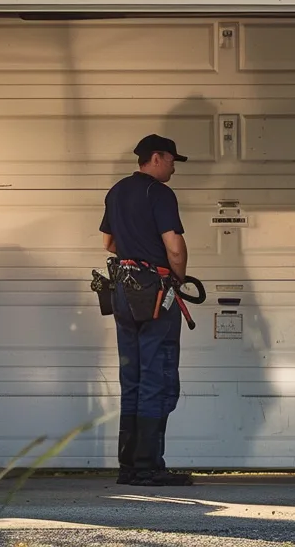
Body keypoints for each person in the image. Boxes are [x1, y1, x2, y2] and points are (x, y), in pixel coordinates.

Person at [99, 134, 194, 487]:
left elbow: (108, 243)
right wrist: (178, 278)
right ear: (156, 157)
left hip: (124, 290)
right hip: (156, 292)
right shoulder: (159, 193)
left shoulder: (117, 191)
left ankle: (129, 465)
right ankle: (148, 466)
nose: (173, 167)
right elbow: (175, 247)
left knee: (133, 376)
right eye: (171, 160)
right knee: (159, 373)